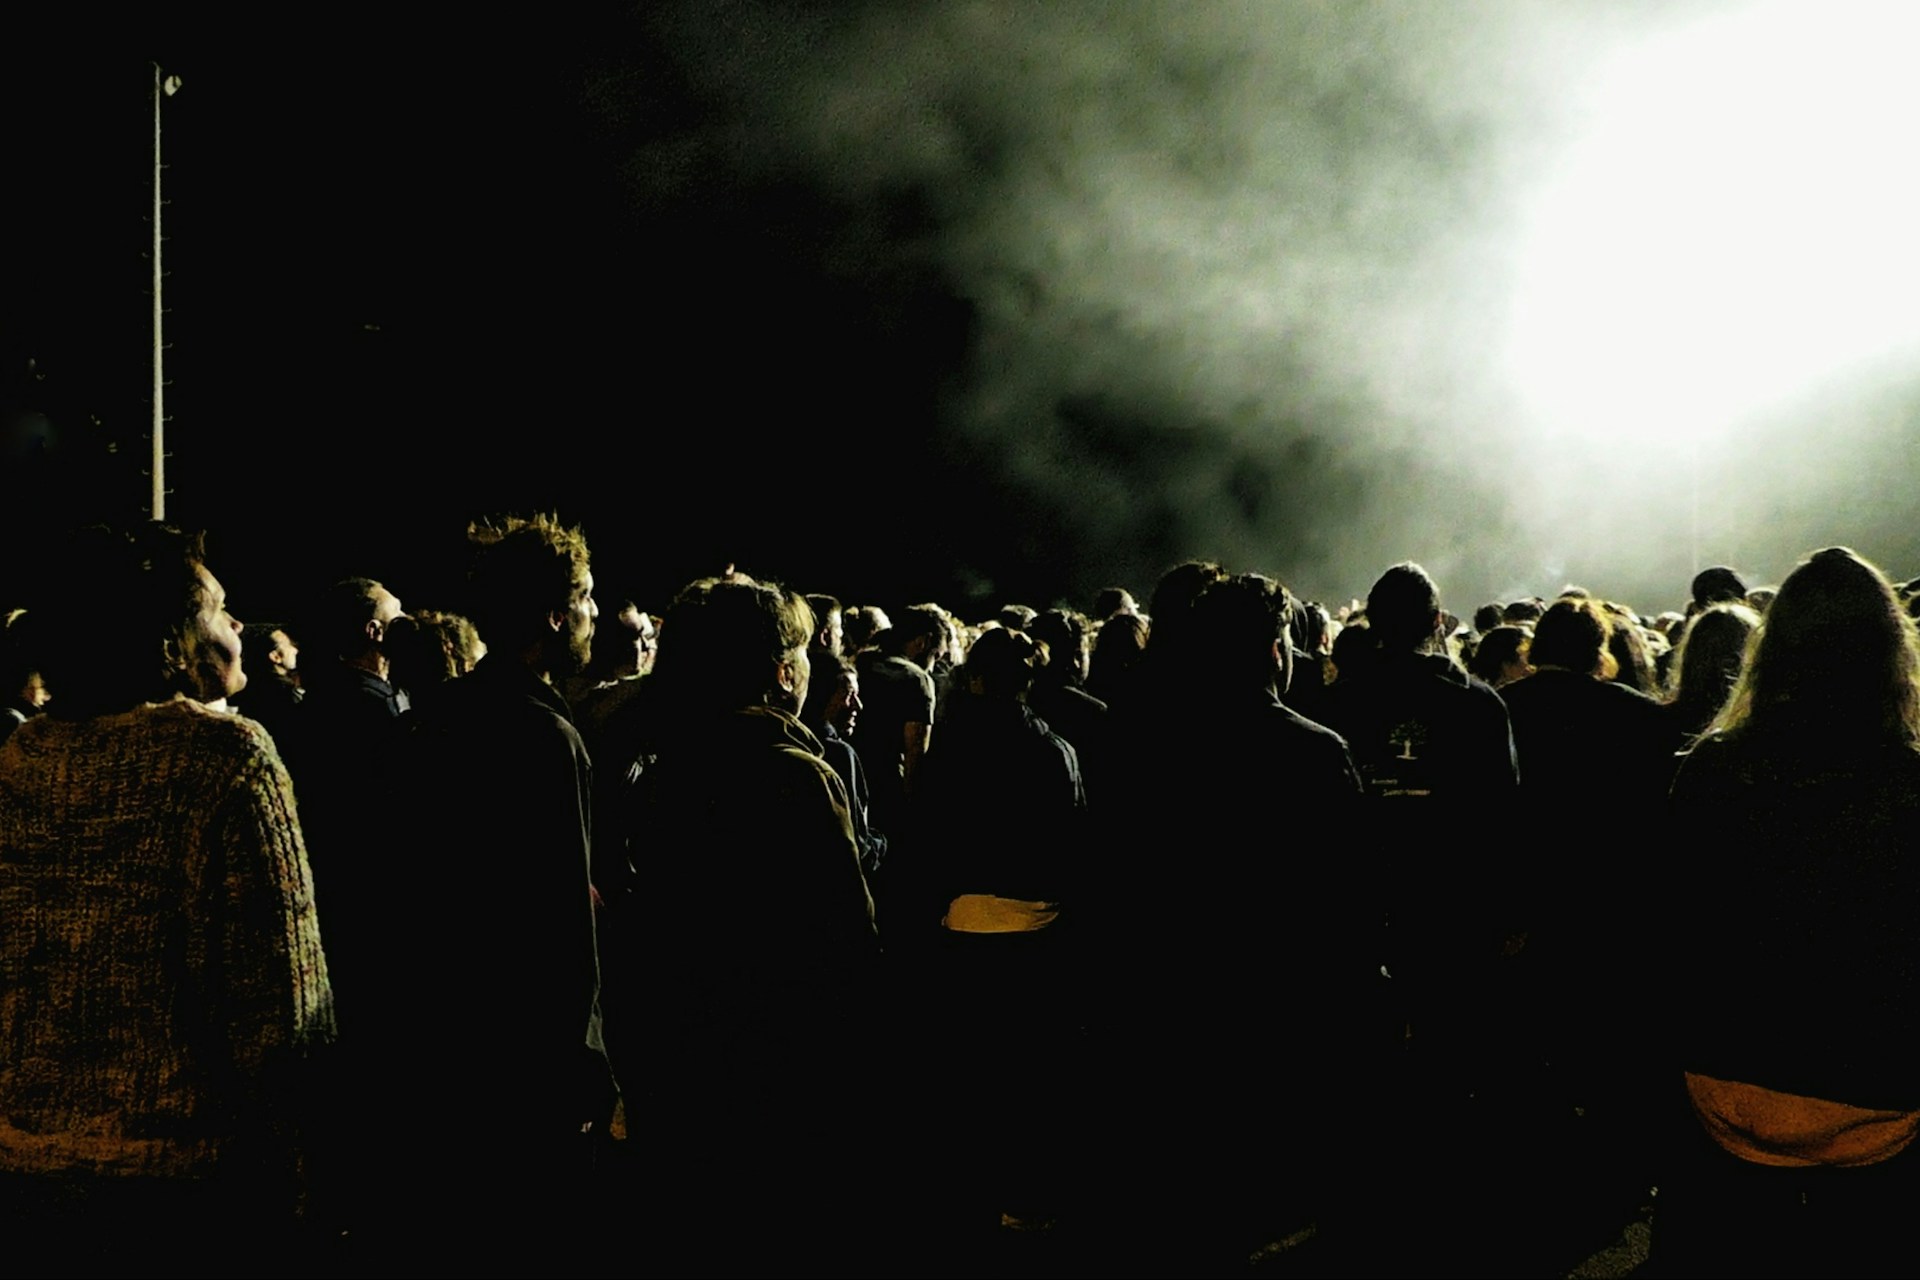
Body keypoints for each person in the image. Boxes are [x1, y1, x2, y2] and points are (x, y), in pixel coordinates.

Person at [0, 524, 333, 1269]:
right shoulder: (230, 758)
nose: (240, 625)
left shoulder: (20, 759)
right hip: (185, 1179)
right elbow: (283, 998)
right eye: (220, 609)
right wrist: (309, 1163)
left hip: (24, 1165)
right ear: (174, 646)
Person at [1657, 547, 1920, 1276]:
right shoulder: (1909, 782)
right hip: (1878, 1098)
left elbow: (1674, 931)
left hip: (1730, 1086)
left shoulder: (1712, 769)